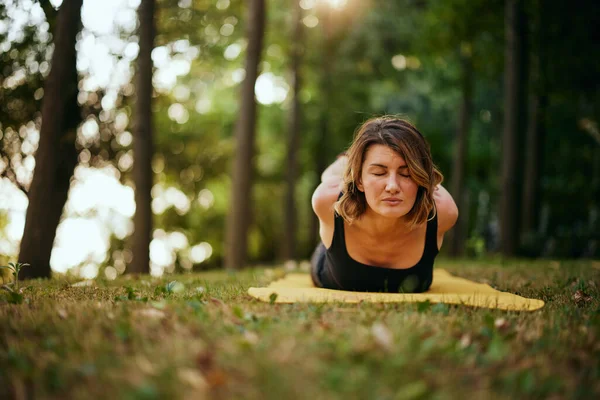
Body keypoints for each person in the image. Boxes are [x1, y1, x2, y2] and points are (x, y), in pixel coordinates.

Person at [310, 116, 458, 293]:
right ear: (359, 181)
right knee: (333, 178)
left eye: (407, 174)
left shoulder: (444, 211)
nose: (393, 187)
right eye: (379, 173)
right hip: (327, 263)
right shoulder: (328, 201)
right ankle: (348, 161)